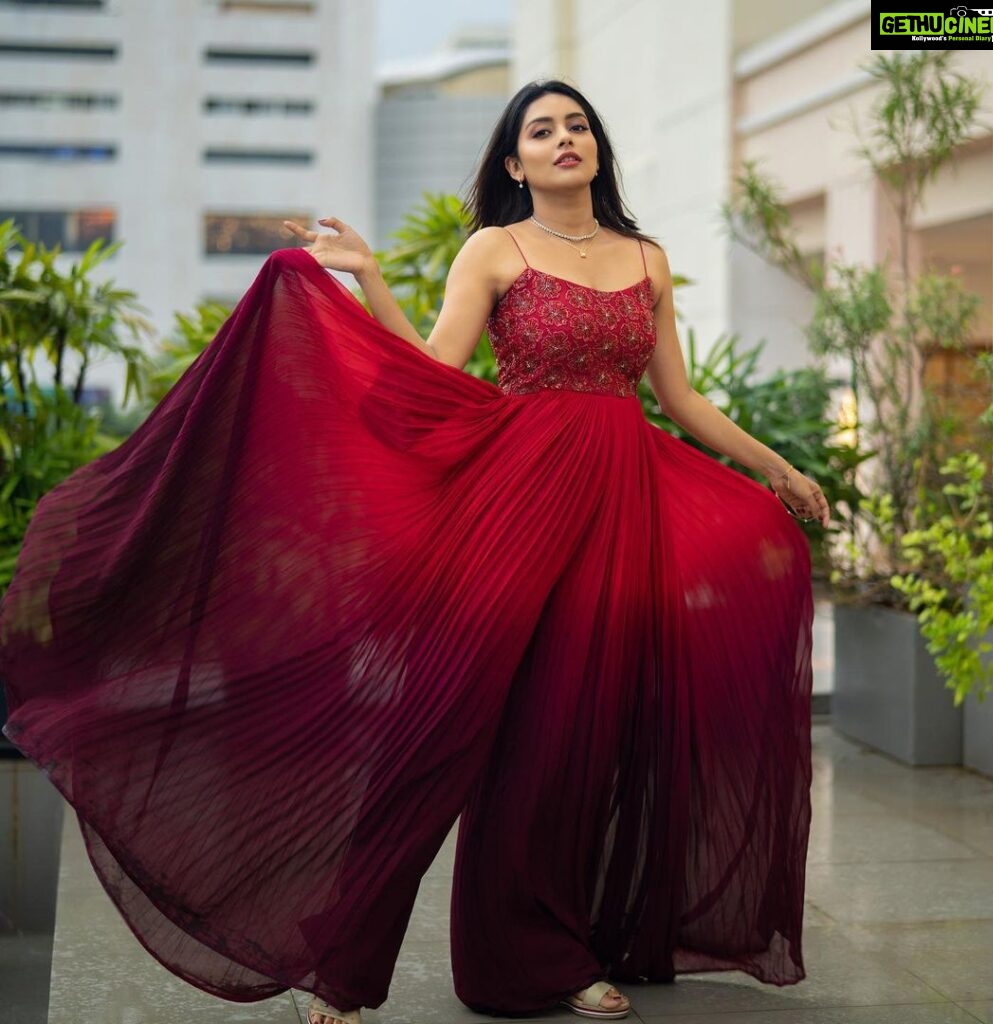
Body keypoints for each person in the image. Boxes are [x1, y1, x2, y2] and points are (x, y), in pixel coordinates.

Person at [0, 80, 828, 1024]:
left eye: (578, 125)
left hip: (619, 513)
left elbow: (679, 399)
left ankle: (545, 957)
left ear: (598, 148)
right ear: (514, 164)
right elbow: (436, 369)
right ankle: (337, 968)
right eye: (541, 131)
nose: (565, 139)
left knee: (571, 743)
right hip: (514, 510)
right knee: (437, 735)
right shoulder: (494, 248)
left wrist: (779, 472)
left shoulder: (647, 258)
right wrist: (368, 278)